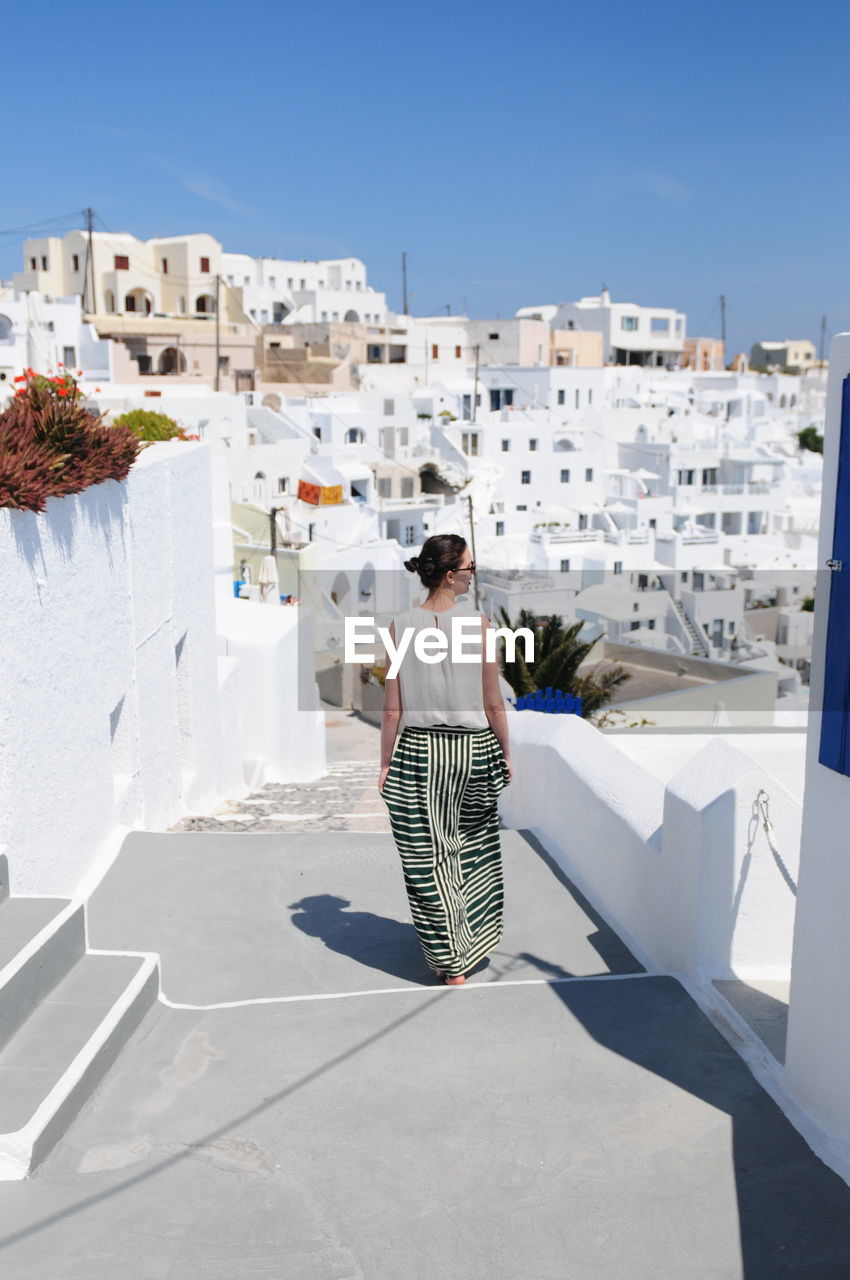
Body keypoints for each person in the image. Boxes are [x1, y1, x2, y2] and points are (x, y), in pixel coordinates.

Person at [378, 533, 513, 986]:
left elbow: (393, 708)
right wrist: (506, 754)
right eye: (471, 568)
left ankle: (445, 957)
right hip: (473, 750)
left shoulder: (398, 626)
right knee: (472, 850)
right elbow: (494, 704)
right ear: (452, 574)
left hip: (418, 752)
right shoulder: (479, 626)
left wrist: (384, 764)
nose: (474, 576)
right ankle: (467, 945)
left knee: (426, 858)